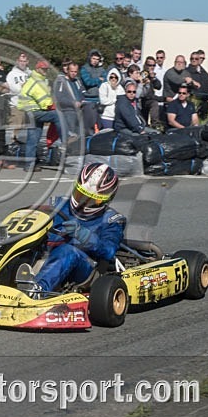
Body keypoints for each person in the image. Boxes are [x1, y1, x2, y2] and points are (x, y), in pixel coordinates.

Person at [32, 162, 125, 294]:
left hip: (85, 267)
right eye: (80, 195)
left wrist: (84, 235)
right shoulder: (57, 204)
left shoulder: (111, 220)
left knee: (68, 250)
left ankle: (37, 291)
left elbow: (109, 250)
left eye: (93, 200)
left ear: (105, 200)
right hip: (46, 254)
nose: (83, 203)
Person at [18, 60, 60, 173]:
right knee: (57, 116)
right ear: (37, 69)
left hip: (30, 112)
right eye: (43, 69)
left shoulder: (37, 80)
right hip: (34, 111)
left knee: (33, 140)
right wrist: (53, 106)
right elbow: (44, 101)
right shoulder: (36, 81)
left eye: (46, 69)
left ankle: (29, 165)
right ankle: (66, 137)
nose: (45, 71)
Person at [53, 61, 85, 139]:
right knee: (71, 135)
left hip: (79, 110)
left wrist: (82, 100)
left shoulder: (77, 81)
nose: (74, 73)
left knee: (79, 134)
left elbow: (82, 92)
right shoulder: (61, 81)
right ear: (67, 71)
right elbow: (59, 98)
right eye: (72, 71)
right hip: (68, 111)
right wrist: (72, 103)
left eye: (75, 71)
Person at [6, 53, 31, 152]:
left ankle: (22, 151)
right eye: (21, 61)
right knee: (16, 128)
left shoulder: (30, 74)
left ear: (27, 62)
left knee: (25, 130)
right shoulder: (12, 74)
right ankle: (11, 149)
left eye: (24, 61)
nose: (22, 63)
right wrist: (24, 87)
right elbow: (13, 89)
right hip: (16, 105)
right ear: (17, 61)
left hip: (29, 105)